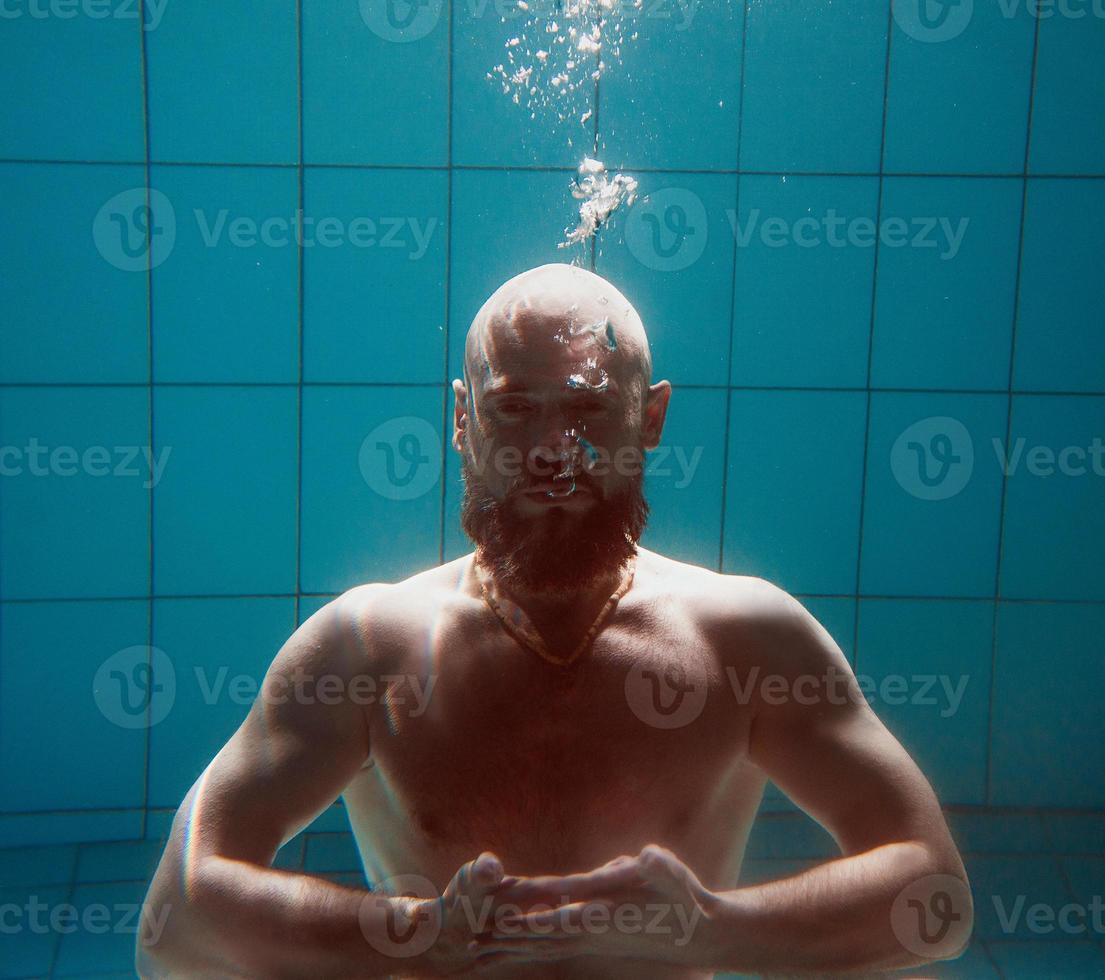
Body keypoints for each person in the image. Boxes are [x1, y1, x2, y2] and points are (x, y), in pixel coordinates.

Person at [137, 263, 972, 979]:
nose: (551, 451)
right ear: (462, 420)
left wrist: (706, 924)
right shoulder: (368, 649)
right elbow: (174, 919)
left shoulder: (745, 639)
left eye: (584, 411)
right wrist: (413, 936)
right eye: (513, 411)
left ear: (649, 418)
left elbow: (937, 895)